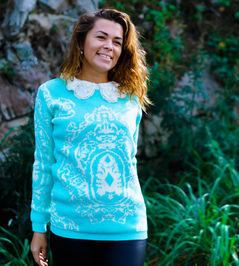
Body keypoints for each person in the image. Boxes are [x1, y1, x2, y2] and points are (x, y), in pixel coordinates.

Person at [29, 8, 150, 266]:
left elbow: (130, 160)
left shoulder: (131, 97)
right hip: (70, 227)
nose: (109, 46)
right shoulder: (51, 94)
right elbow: (43, 163)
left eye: (117, 42)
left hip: (127, 226)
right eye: (101, 37)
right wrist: (39, 226)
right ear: (81, 42)